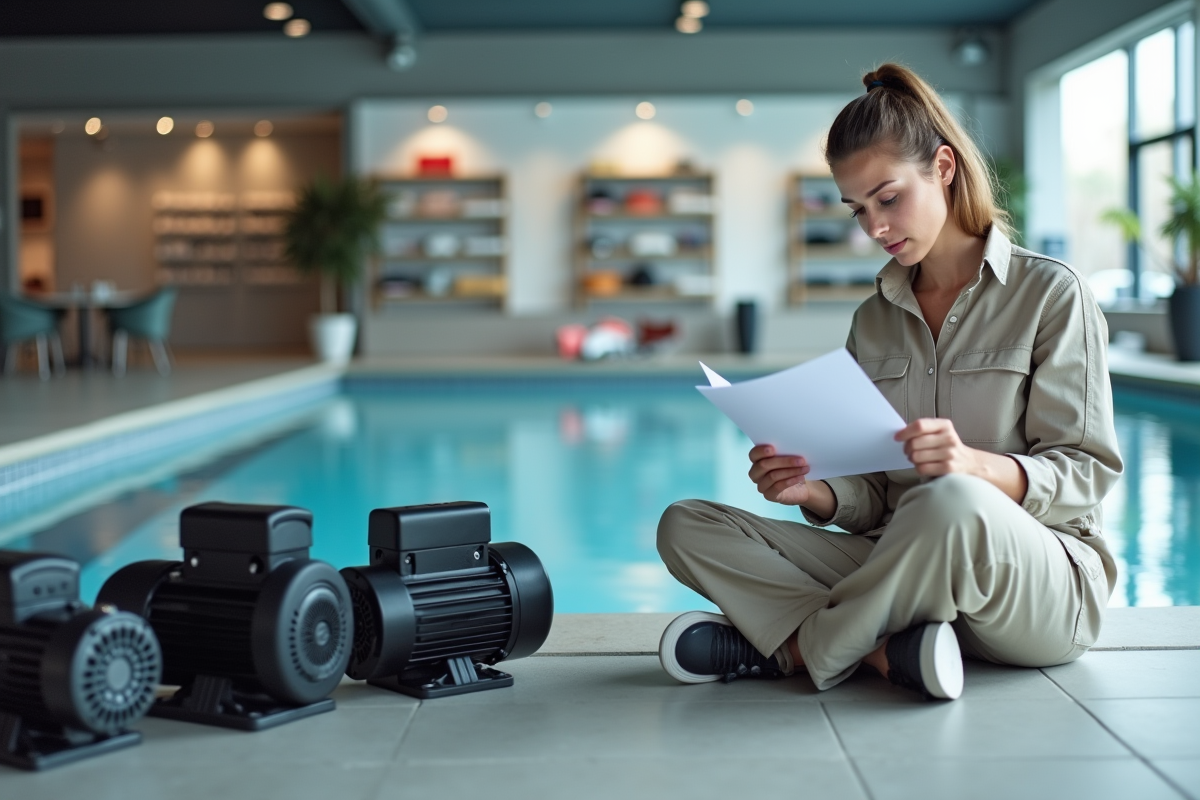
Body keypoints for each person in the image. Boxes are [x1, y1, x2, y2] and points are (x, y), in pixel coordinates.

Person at [656, 63, 1123, 700]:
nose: (874, 227)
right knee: (686, 522)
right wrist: (813, 492)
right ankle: (885, 651)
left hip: (1034, 585)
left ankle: (798, 650)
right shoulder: (873, 319)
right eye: (857, 210)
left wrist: (975, 467)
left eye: (889, 197)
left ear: (945, 168)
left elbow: (1087, 472)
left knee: (950, 499)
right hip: (902, 568)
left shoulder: (1051, 295)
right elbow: (875, 494)